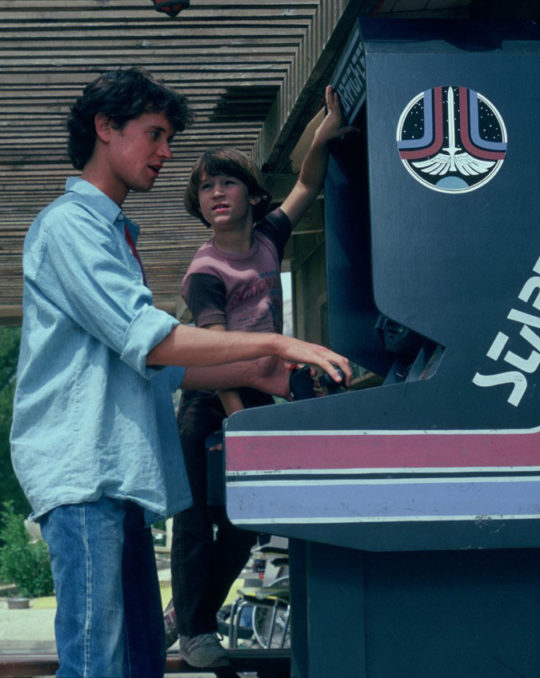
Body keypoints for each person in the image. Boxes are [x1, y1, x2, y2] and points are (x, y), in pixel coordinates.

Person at [9, 67, 352, 678]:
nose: (168, 154)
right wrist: (280, 342)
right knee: (97, 668)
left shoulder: (114, 236)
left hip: (119, 483)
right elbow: (154, 341)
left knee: (140, 665)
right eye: (156, 134)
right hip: (86, 481)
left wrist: (280, 372)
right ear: (105, 128)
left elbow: (163, 370)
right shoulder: (70, 227)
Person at [169, 85, 353, 668]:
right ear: (198, 205)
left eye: (226, 182)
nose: (216, 192)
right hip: (210, 397)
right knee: (197, 518)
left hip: (259, 391)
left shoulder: (269, 238)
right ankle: (197, 632)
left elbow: (307, 183)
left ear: (250, 195)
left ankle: (189, 610)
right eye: (205, 186)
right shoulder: (205, 271)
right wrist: (236, 415)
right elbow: (217, 353)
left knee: (249, 518)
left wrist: (323, 133)